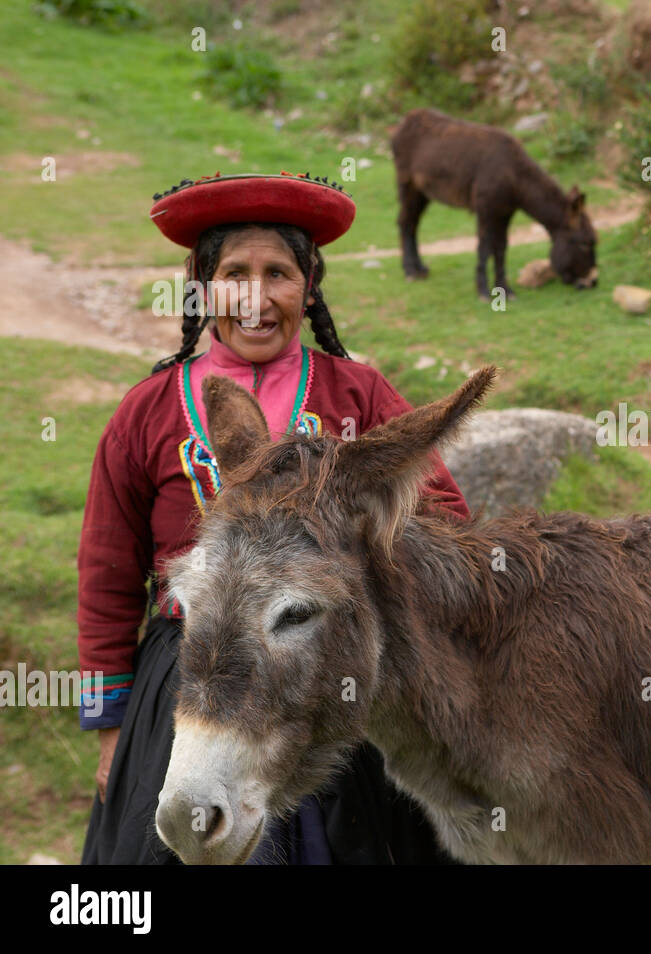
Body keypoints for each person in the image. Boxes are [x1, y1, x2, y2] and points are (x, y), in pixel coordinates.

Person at [78, 171, 468, 864]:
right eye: (234, 274)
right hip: (192, 683)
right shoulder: (147, 412)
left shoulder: (359, 395)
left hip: (328, 674)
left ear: (310, 284)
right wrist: (114, 730)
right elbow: (107, 574)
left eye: (278, 274)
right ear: (201, 286)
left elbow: (446, 524)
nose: (256, 299)